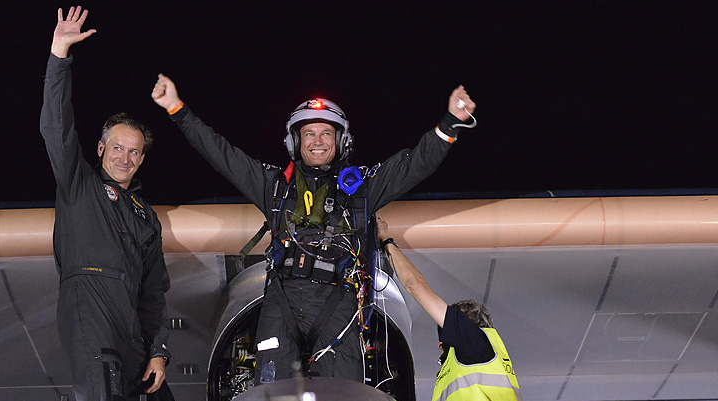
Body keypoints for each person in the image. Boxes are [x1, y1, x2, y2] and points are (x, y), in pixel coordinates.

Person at [151, 73, 476, 385]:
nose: (317, 141)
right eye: (309, 133)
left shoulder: (362, 187)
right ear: (296, 141)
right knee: (270, 391)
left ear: (340, 140)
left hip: (340, 306)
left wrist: (450, 122)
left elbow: (413, 164)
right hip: (281, 304)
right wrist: (177, 109)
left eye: (325, 133)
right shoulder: (273, 186)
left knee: (343, 394)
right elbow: (221, 153)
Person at [40, 6, 172, 400]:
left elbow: (153, 292)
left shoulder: (146, 218)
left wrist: (159, 352)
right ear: (100, 149)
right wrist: (59, 53)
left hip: (131, 328)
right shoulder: (78, 184)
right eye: (117, 147)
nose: (124, 157)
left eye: (134, 152)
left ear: (142, 159)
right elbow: (55, 127)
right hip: (90, 310)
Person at [376, 215, 522, 400]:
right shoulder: (483, 353)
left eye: (445, 338)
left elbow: (416, 286)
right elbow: (415, 286)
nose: (439, 346)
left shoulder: (473, 342)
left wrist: (386, 241)